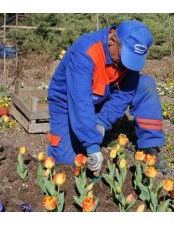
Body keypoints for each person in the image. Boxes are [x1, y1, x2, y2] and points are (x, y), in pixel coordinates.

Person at [47, 20, 166, 176]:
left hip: (102, 95)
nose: (127, 65)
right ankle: (82, 134)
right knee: (67, 165)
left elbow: (125, 93)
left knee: (145, 84)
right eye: (125, 58)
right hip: (68, 102)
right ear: (112, 41)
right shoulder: (86, 52)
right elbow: (80, 101)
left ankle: (150, 144)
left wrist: (102, 121)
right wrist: (92, 146)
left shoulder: (128, 58)